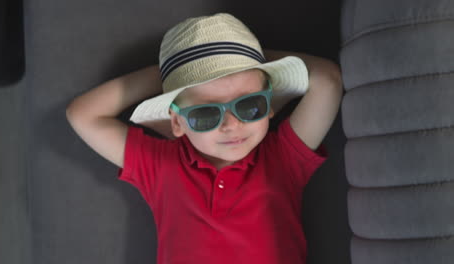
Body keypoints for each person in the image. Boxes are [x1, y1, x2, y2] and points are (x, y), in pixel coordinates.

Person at [66, 12, 342, 264]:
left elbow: (327, 80)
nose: (231, 125)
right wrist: (167, 77)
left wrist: (251, 62)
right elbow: (82, 115)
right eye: (206, 114)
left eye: (250, 106)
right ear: (177, 122)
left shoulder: (283, 158)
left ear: (269, 106)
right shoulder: (161, 167)